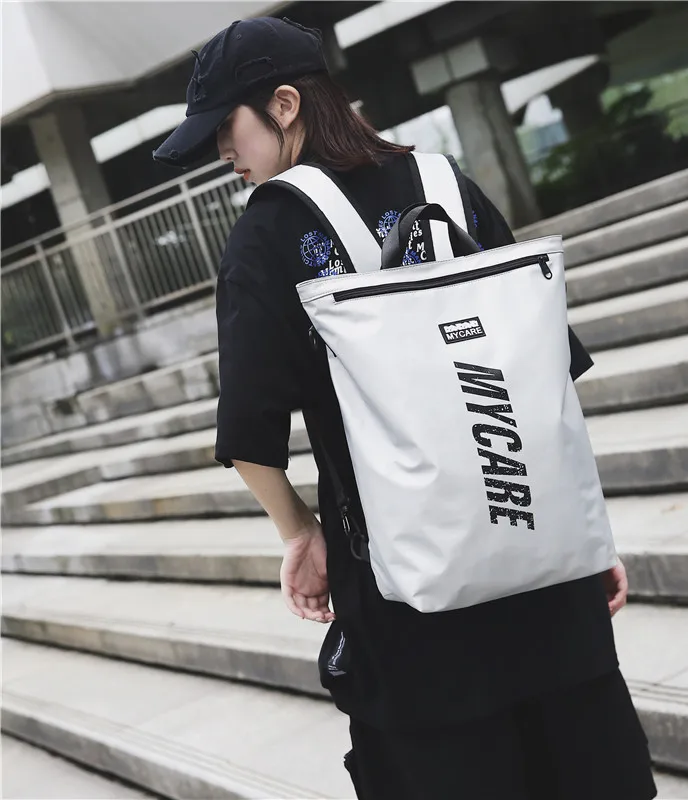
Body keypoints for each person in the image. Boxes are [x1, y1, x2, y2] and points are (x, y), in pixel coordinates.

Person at [154, 16, 657, 800]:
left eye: (227, 127)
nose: (222, 151)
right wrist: (583, 531)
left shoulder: (269, 230)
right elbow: (548, 375)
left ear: (283, 104)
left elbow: (250, 429)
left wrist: (301, 533)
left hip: (410, 611)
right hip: (543, 570)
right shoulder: (447, 185)